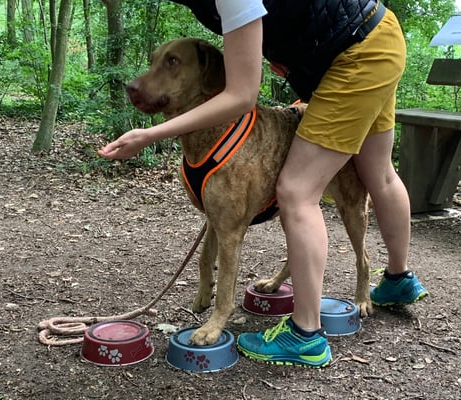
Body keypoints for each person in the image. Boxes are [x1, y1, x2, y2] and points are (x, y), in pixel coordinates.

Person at [98, 0, 429, 368]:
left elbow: (241, 96)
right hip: (375, 37)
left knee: (297, 191)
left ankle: (305, 336)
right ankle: (398, 280)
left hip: (356, 51)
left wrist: (151, 134)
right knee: (380, 173)